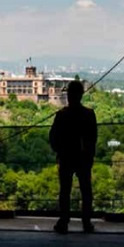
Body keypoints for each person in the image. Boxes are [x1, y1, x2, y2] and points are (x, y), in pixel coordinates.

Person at [49, 81, 97, 234]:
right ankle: (86, 221)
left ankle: (64, 221)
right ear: (81, 95)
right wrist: (89, 156)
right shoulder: (89, 114)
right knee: (86, 191)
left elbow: (53, 137)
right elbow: (93, 138)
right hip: (83, 158)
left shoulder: (62, 115)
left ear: (69, 95)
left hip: (66, 157)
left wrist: (59, 151)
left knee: (65, 191)